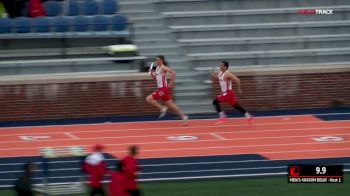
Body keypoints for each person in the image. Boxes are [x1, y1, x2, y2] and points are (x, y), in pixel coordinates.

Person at [146, 55, 188, 125]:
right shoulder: (157, 68)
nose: (157, 61)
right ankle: (184, 117)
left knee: (148, 98)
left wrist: (171, 83)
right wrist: (151, 73)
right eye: (156, 60)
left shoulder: (163, 67)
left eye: (158, 60)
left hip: (163, 89)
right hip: (161, 89)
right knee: (171, 105)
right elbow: (155, 79)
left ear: (162, 60)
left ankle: (162, 108)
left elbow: (173, 73)